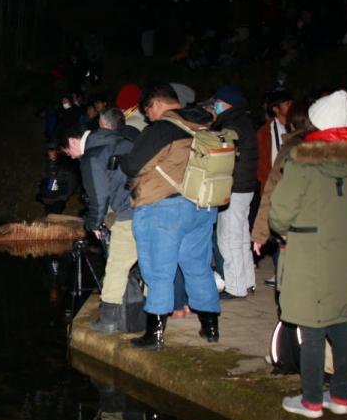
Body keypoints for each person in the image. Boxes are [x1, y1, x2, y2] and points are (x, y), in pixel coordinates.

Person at [269, 91, 347, 419]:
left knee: (311, 327)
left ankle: (311, 400)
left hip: (309, 255)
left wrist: (284, 227)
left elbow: (280, 213)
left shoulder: (301, 163)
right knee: (342, 324)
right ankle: (340, 396)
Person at [120, 84, 222, 350]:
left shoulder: (160, 129)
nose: (148, 117)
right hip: (202, 206)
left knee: (158, 271)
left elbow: (132, 165)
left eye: (147, 112)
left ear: (155, 105)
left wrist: (121, 160)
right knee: (198, 266)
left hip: (163, 209)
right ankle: (210, 327)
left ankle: (154, 335)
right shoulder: (203, 124)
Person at [77, 107, 140, 333]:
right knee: (151, 264)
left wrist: (94, 223)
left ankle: (109, 320)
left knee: (116, 267)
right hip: (150, 208)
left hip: (127, 214)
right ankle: (155, 316)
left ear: (102, 125)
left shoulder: (96, 153)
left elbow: (100, 194)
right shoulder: (132, 141)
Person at [208, 85, 259, 299]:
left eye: (217, 102)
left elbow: (224, 152)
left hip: (234, 186)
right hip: (246, 185)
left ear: (227, 104)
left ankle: (235, 288)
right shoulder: (244, 120)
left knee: (228, 239)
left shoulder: (232, 124)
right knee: (240, 237)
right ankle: (247, 282)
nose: (214, 105)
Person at [254, 88, 293, 286]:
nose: (290, 106)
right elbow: (262, 163)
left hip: (294, 185)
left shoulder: (298, 127)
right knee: (278, 233)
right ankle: (281, 275)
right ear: (276, 108)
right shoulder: (264, 132)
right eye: (286, 103)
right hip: (274, 186)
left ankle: (286, 275)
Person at [36, 146, 78, 215]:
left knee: (55, 216)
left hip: (59, 198)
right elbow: (42, 179)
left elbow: (72, 181)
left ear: (57, 152)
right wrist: (40, 193)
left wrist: (65, 196)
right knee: (48, 216)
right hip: (47, 198)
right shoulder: (46, 163)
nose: (51, 153)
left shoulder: (65, 164)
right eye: (49, 151)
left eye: (53, 151)